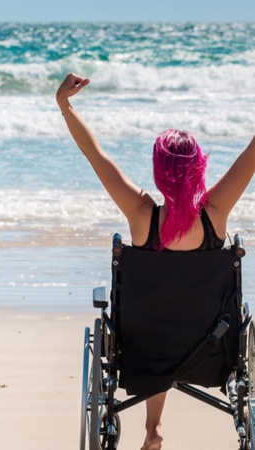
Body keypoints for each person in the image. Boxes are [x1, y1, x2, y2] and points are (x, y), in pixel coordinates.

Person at [56, 72, 255, 450]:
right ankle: (155, 427)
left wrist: (64, 105)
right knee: (180, 323)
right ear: (199, 167)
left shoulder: (140, 212)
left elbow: (95, 155)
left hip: (144, 348)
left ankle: (153, 428)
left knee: (158, 322)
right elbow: (254, 152)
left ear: (159, 171)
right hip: (211, 350)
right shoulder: (215, 212)